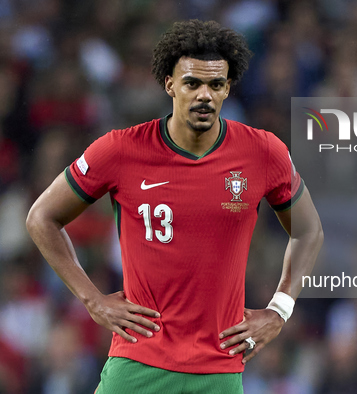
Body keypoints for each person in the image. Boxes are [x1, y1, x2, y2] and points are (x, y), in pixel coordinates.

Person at [26, 19, 323, 394]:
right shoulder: (121, 149)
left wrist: (280, 308)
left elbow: (309, 230)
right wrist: (93, 300)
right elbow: (41, 217)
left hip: (219, 369)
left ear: (228, 87)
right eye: (192, 83)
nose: (205, 95)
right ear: (170, 84)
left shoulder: (263, 152)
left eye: (216, 85)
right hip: (137, 364)